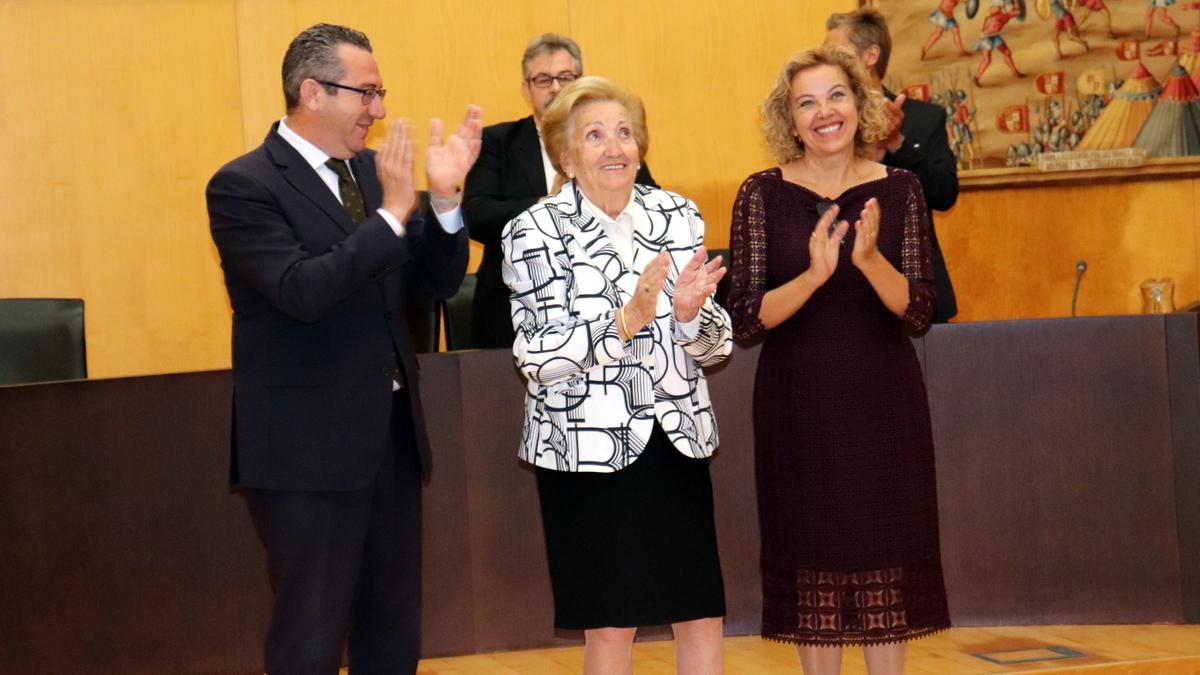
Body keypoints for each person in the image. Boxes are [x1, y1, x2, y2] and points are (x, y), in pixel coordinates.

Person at [206, 23, 482, 674]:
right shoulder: (245, 185)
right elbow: (300, 291)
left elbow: (436, 283)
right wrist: (391, 215)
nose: (379, 110)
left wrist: (443, 201)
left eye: (381, 93)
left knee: (392, 631)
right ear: (312, 92)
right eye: (367, 92)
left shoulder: (370, 172)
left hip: (389, 436)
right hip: (305, 451)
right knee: (311, 635)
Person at [727, 44, 950, 674]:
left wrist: (870, 260)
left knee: (883, 574)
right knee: (815, 577)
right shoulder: (760, 195)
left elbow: (918, 312)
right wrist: (813, 277)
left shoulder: (901, 189)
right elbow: (744, 317)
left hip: (884, 406)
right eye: (806, 103)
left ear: (859, 104)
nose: (824, 112)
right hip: (798, 409)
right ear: (788, 119)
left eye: (836, 96)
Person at [501, 76, 730, 675]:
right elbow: (539, 358)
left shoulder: (676, 214)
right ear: (566, 154)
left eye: (625, 133)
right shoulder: (533, 232)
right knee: (610, 626)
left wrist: (686, 318)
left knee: (701, 614)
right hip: (588, 448)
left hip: (675, 438)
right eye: (595, 135)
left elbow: (717, 342)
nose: (614, 148)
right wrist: (624, 322)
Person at [464, 33, 656, 349]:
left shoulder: (615, 147)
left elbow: (649, 204)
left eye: (565, 77)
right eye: (543, 79)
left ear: (579, 80)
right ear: (526, 89)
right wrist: (550, 205)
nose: (555, 87)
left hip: (612, 309)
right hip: (512, 313)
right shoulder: (498, 142)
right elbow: (477, 215)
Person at [826, 9, 959, 323]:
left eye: (835, 54)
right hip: (842, 296)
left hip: (915, 291)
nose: (826, 64)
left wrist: (898, 143)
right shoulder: (823, 123)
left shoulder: (923, 118)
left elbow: (944, 194)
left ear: (871, 54)